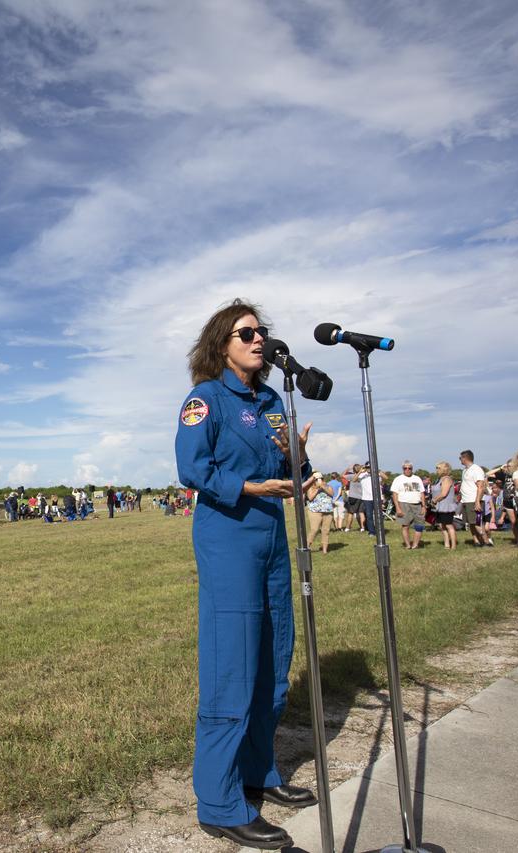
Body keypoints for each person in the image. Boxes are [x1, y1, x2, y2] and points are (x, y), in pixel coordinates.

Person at [174, 299, 315, 849]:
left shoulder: (275, 402)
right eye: (246, 333)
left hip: (271, 539)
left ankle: (260, 773)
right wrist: (254, 488)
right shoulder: (204, 400)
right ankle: (219, 801)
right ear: (221, 345)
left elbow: (287, 470)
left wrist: (297, 457)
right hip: (228, 537)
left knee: (273, 659)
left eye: (261, 333)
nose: (259, 340)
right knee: (232, 663)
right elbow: (193, 468)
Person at [459, 450, 492, 547]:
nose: (460, 460)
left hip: (473, 500)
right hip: (465, 500)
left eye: (460, 458)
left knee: (477, 522)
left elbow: (480, 487)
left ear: (465, 458)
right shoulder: (465, 470)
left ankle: (486, 542)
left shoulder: (476, 469)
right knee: (470, 523)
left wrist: (477, 501)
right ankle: (476, 541)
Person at [390, 461, 426, 550]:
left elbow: (422, 493)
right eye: (405, 468)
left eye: (409, 468)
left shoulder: (417, 478)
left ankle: (415, 544)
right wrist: (398, 508)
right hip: (404, 504)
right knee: (405, 526)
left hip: (417, 504)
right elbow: (395, 494)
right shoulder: (398, 479)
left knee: (419, 526)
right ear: (402, 469)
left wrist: (423, 506)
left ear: (412, 469)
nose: (407, 470)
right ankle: (408, 545)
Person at [431, 462, 459, 549]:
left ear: (444, 469)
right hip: (439, 507)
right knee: (441, 526)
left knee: (448, 525)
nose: (436, 470)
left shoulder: (446, 479)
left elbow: (444, 493)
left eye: (438, 468)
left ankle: (453, 545)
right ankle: (447, 544)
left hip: (446, 507)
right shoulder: (439, 479)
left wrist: (435, 500)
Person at [305, 473, 334, 554]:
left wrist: (323, 487)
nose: (319, 480)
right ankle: (306, 546)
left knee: (326, 530)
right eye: (317, 479)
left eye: (321, 478)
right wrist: (318, 489)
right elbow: (310, 497)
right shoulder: (310, 488)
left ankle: (325, 549)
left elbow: (332, 494)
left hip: (327, 511)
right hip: (315, 511)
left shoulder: (328, 486)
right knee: (314, 529)